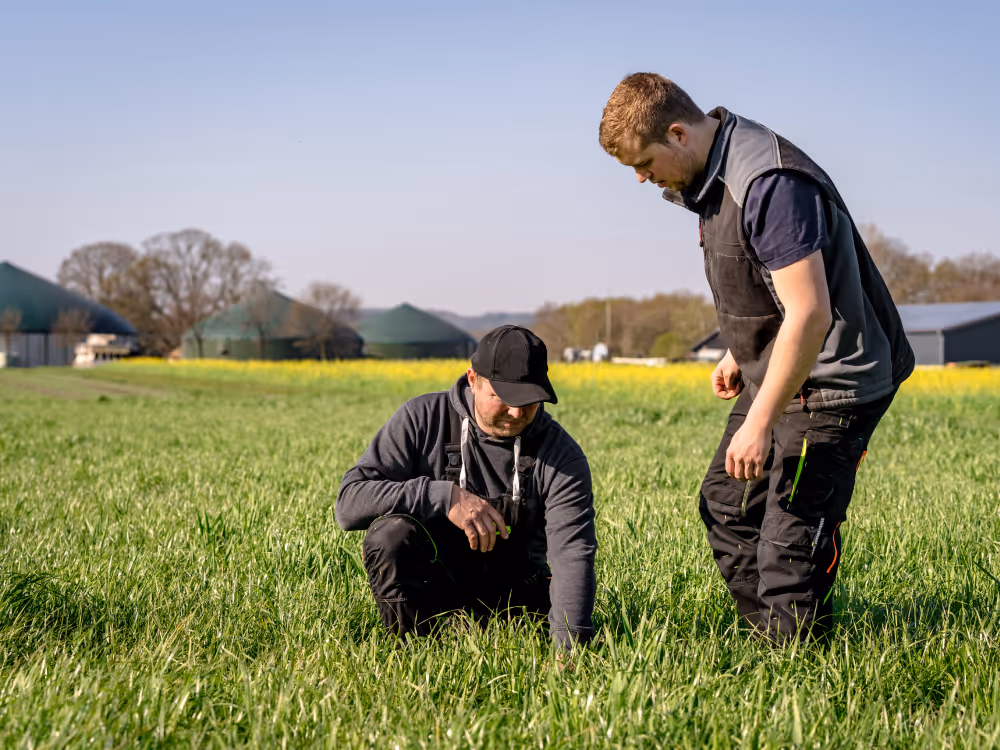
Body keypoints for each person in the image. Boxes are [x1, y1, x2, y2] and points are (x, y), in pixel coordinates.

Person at [599, 74, 914, 644]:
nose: (642, 179)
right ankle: (771, 637)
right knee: (727, 505)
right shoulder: (710, 171)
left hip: (834, 380)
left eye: (643, 163)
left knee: (790, 542)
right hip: (783, 365)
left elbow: (812, 312)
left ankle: (800, 669)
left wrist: (760, 421)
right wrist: (737, 350)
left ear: (678, 134)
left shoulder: (769, 183)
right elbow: (768, 281)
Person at [336, 326, 596, 648]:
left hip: (520, 598)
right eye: (502, 398)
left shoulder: (561, 455)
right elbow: (349, 504)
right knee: (390, 536)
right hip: (437, 590)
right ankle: (419, 655)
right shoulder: (422, 419)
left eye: (529, 401)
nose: (516, 413)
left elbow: (571, 554)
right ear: (473, 380)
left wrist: (569, 654)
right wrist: (442, 496)